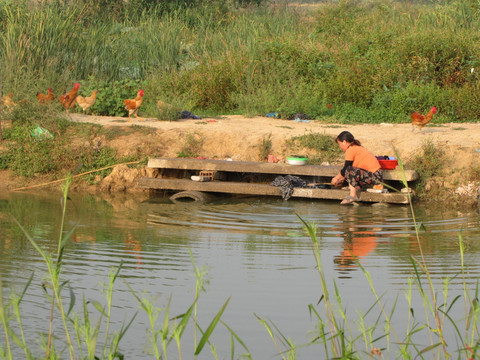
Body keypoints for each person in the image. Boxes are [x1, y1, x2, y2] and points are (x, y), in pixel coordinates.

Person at [331, 131, 383, 204]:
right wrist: (342, 179)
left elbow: (346, 169)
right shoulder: (356, 147)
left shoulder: (351, 149)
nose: (340, 147)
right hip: (374, 175)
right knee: (350, 170)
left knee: (349, 169)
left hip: (375, 176)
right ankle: (353, 189)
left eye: (339, 144)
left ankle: (353, 195)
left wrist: (336, 178)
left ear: (344, 142)